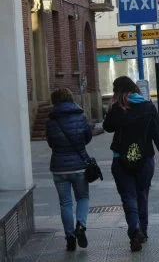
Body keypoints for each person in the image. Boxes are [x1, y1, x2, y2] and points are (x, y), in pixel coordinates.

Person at [103, 76, 159, 252]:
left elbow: (107, 127)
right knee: (142, 194)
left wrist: (112, 107)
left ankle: (135, 230)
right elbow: (158, 134)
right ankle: (144, 231)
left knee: (128, 196)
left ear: (117, 91)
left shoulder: (117, 109)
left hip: (121, 160)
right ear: (135, 89)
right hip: (145, 159)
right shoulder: (148, 107)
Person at [46, 88, 92, 251]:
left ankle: (70, 236)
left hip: (59, 167)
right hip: (79, 165)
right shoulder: (80, 116)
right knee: (83, 198)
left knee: (65, 203)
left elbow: (50, 143)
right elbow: (88, 137)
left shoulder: (51, 120)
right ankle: (81, 225)